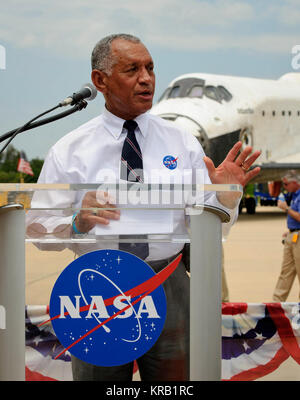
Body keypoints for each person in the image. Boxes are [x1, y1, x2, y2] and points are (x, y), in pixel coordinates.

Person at [27, 33, 261, 381]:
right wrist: (77, 222)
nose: (147, 78)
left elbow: (205, 226)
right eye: (132, 69)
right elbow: (37, 229)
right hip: (98, 289)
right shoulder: (70, 149)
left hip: (169, 282)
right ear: (99, 81)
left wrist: (225, 198)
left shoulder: (182, 142)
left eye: (150, 68)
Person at [273, 170, 300, 301]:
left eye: (286, 184)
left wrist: (286, 208)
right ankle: (276, 303)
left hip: (298, 237)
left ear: (295, 183)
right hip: (293, 235)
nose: (284, 187)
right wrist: (291, 230)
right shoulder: (294, 195)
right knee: (286, 272)